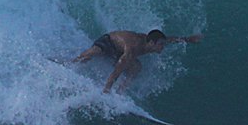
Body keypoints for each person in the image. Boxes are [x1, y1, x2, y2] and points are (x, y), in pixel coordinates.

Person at [73, 28, 202, 93]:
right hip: (109, 43)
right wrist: (106, 89)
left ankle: (120, 92)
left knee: (137, 68)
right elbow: (118, 69)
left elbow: (171, 39)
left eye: (163, 43)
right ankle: (73, 63)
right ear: (151, 42)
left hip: (120, 52)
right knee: (95, 52)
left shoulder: (154, 41)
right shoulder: (133, 48)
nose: (163, 46)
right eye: (160, 44)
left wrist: (188, 39)